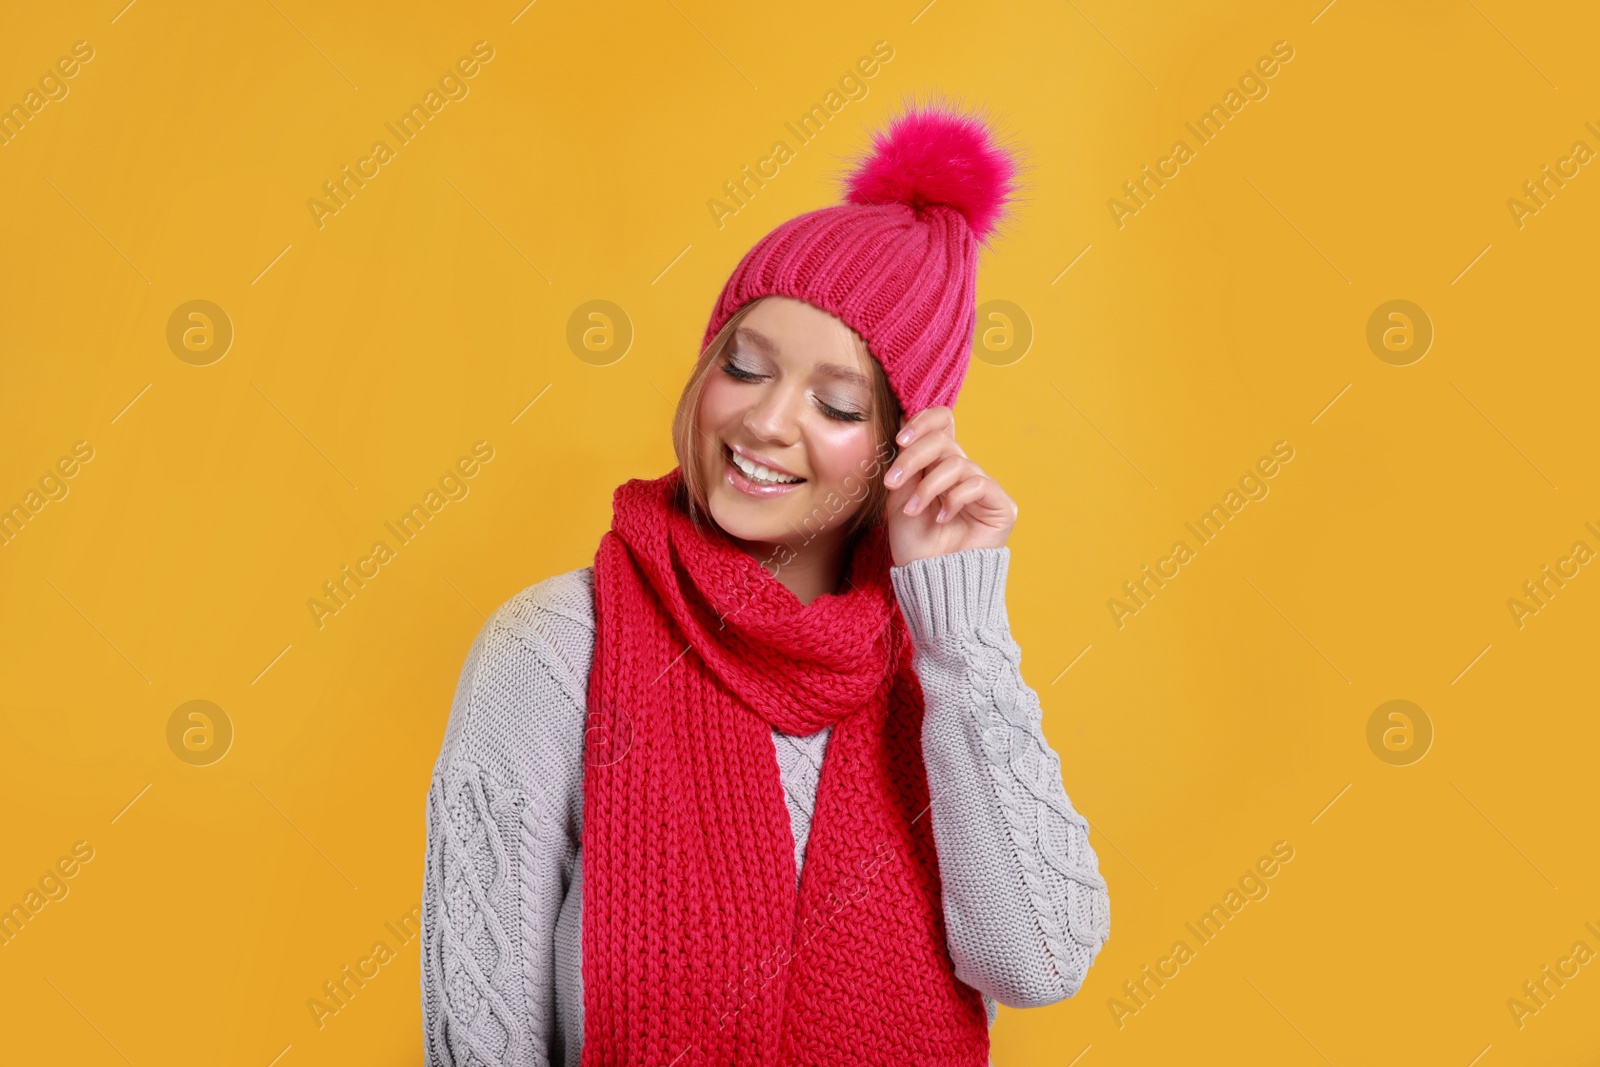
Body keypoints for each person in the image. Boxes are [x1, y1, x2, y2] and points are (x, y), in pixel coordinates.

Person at [422, 101, 1110, 1067]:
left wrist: (963, 628)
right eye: (744, 367)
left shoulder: (937, 679)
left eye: (836, 402)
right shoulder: (551, 650)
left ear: (899, 450)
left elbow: (1039, 960)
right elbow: (477, 1040)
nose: (767, 421)